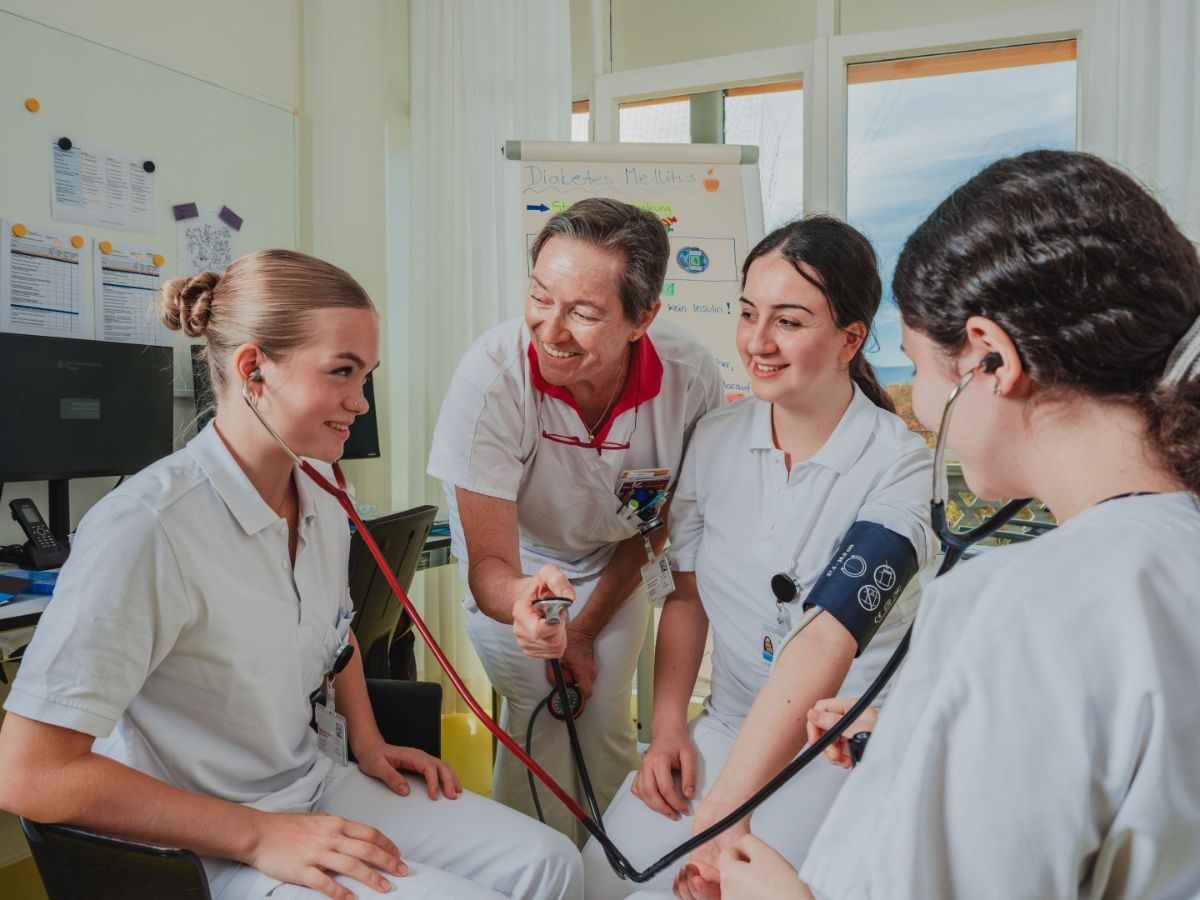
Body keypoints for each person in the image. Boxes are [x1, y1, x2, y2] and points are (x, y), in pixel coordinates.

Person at [0, 250, 583, 900]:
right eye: (341, 372)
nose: (361, 402)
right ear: (253, 370)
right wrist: (257, 835)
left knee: (550, 863)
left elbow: (337, 638)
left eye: (367, 376)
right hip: (203, 839)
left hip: (312, 784)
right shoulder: (147, 528)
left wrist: (366, 739)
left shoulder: (320, 496)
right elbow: (29, 776)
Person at [716, 150, 1200, 899]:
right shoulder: (1172, 545)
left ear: (989, 358)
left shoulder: (1013, 608)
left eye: (918, 367)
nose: (920, 401)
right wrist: (914, 726)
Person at [583, 217, 936, 899]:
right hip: (728, 720)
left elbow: (829, 636)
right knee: (598, 875)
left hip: (834, 742)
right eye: (748, 314)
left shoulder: (899, 465)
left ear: (850, 339)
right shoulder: (714, 442)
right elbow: (684, 597)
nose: (758, 342)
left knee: (691, 889)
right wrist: (663, 734)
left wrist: (726, 812)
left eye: (790, 321)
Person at [427, 198, 724, 843]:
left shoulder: (690, 376)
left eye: (584, 313)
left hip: (619, 564)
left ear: (642, 317)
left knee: (605, 720)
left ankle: (617, 868)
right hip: (518, 567)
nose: (549, 330)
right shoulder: (493, 379)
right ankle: (535, 870)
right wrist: (527, 605)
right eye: (539, 297)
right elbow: (491, 568)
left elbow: (657, 522)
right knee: (541, 709)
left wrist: (585, 629)